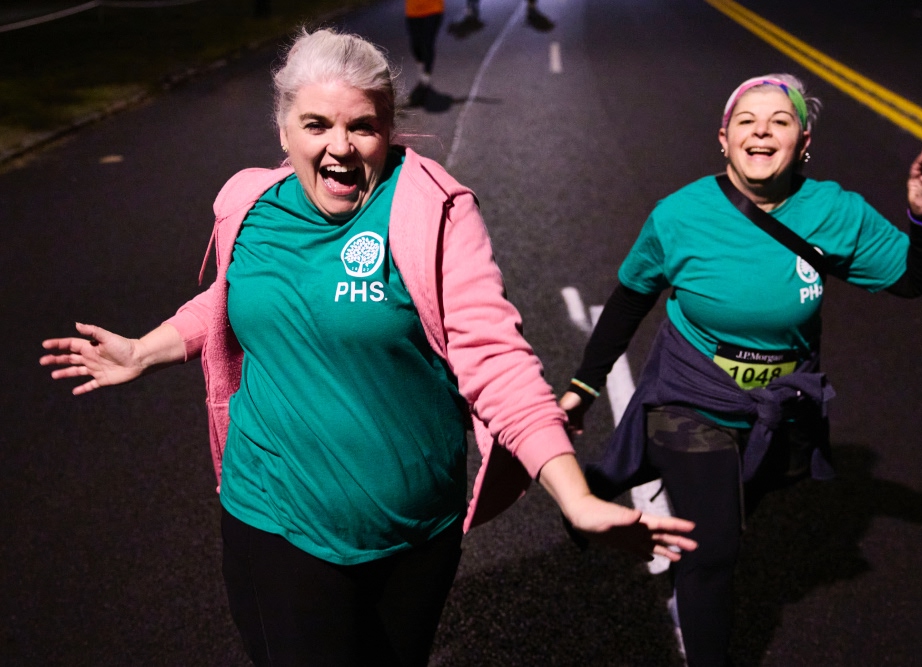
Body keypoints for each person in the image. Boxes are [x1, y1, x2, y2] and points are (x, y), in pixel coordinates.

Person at [40, 28, 697, 667]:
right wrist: (143, 351)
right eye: (317, 124)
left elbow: (495, 358)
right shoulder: (250, 204)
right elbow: (231, 297)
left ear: (389, 129)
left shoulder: (430, 213)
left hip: (415, 535)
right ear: (283, 130)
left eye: (362, 126)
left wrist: (575, 496)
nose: (340, 147)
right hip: (273, 516)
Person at [558, 74, 922, 667]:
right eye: (746, 120)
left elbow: (914, 279)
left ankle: (605, 482)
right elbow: (632, 297)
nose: (761, 131)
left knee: (735, 508)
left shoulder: (836, 212)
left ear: (803, 143)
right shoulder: (679, 214)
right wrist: (585, 386)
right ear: (724, 138)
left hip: (777, 408)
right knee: (713, 548)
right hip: (691, 394)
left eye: (779, 121)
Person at [405, 0, 444, 107]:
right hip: (413, 11)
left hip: (433, 9)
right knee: (416, 45)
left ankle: (425, 78)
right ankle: (421, 71)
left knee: (427, 43)